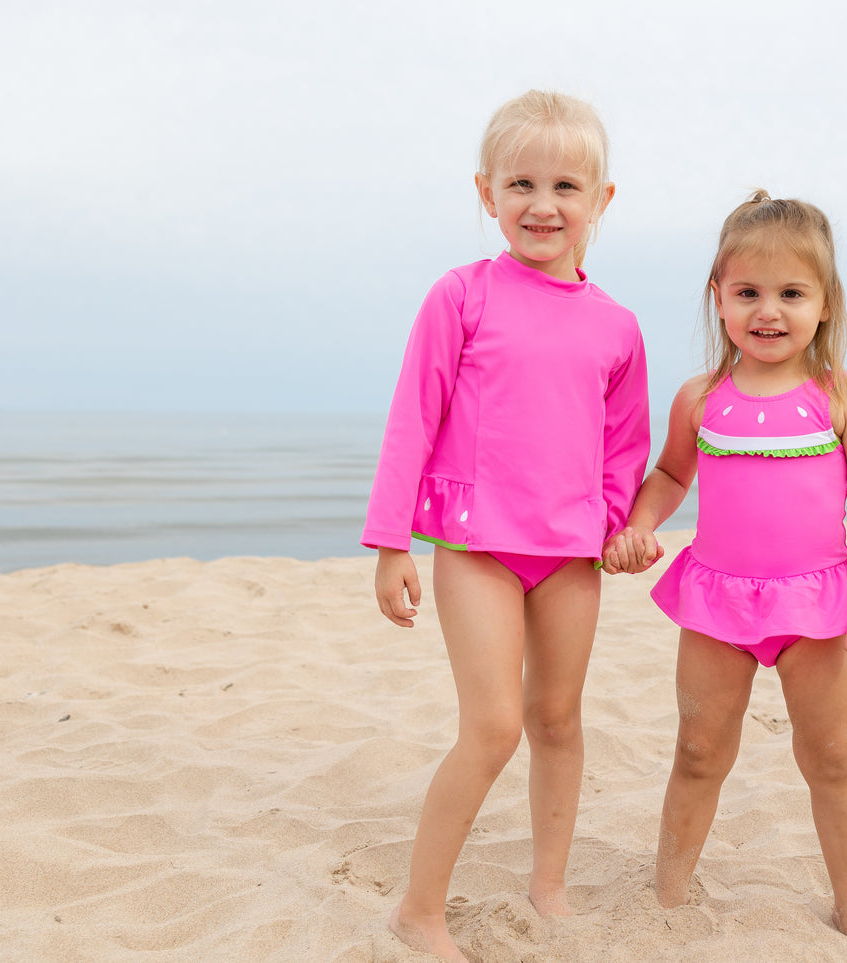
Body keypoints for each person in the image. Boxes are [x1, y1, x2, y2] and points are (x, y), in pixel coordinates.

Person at [363, 90, 648, 961]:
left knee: (557, 719)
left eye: (566, 185)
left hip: (569, 558)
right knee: (491, 726)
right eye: (520, 182)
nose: (542, 203)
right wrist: (389, 544)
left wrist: (617, 528)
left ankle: (548, 885)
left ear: (600, 201)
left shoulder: (616, 326)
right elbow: (412, 418)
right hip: (476, 547)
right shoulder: (461, 296)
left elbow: (623, 449)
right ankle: (419, 908)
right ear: (487, 192)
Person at [602, 190, 847, 938]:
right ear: (719, 298)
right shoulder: (700, 399)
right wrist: (638, 523)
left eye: (791, 293)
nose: (768, 311)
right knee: (699, 747)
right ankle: (667, 894)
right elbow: (670, 477)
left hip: (817, 605)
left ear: (824, 303)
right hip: (716, 601)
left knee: (829, 755)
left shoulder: (842, 401)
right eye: (748, 293)